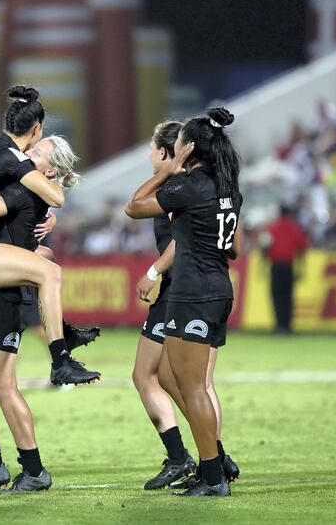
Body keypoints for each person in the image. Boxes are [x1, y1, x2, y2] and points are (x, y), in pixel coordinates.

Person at [0, 135, 87, 491]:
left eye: (35, 153)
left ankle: (34, 469)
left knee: (3, 387)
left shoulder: (23, 192)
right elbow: (39, 251)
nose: (25, 154)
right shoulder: (28, 189)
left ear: (49, 168)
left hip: (4, 296)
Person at [0, 86, 98, 388]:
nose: (30, 152)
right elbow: (55, 196)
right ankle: (60, 360)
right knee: (49, 272)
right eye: (36, 146)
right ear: (36, 129)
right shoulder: (17, 165)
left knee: (46, 258)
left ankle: (63, 333)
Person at [125, 107, 243, 497]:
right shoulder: (228, 186)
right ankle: (213, 466)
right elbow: (236, 248)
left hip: (192, 292)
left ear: (188, 148)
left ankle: (213, 477)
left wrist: (169, 168)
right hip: (218, 288)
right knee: (184, 382)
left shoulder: (190, 185)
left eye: (178, 144)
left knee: (189, 387)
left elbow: (135, 204)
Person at [264, 205, 309, 335]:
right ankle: (287, 327)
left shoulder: (272, 228)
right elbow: (302, 247)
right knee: (288, 297)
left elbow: (265, 246)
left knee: (276, 297)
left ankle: (279, 326)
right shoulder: (295, 228)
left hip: (276, 266)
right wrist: (300, 267)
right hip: (288, 266)